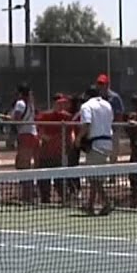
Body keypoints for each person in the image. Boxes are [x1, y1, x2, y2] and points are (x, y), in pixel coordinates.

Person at [78, 86, 116, 216]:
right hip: (107, 143)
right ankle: (92, 204)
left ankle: (104, 202)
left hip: (95, 144)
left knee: (94, 178)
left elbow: (86, 124)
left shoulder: (86, 106)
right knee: (95, 177)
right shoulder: (107, 105)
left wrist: (78, 139)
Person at [36, 94, 72, 203]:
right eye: (59, 103)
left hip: (59, 154)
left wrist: (67, 147)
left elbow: (70, 135)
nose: (61, 105)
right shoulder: (44, 116)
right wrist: (49, 138)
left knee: (60, 179)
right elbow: (40, 132)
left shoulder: (67, 117)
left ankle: (65, 198)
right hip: (45, 153)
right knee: (44, 178)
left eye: (63, 103)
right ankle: (45, 199)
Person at [9, 83, 38, 203]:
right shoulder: (30, 104)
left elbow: (17, 119)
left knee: (24, 166)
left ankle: (28, 195)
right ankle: (27, 193)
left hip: (26, 136)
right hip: (30, 135)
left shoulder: (21, 103)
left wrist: (9, 119)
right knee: (22, 164)